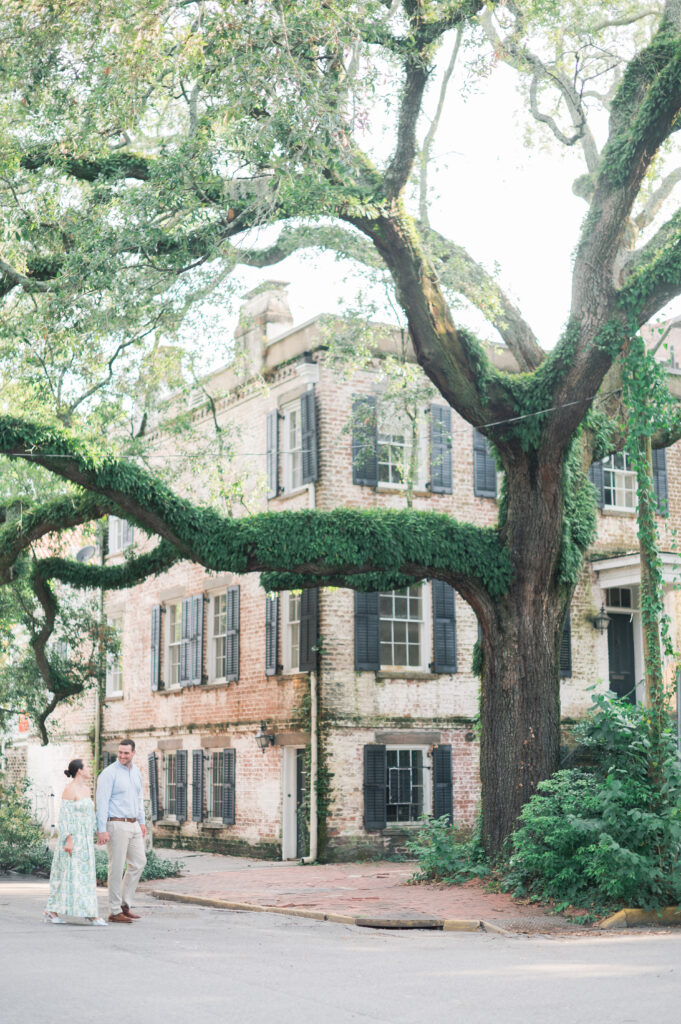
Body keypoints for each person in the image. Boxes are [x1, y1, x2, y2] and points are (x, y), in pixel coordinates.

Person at [44, 758, 106, 926]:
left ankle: (86, 912)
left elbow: (90, 815)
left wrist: (97, 832)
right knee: (69, 876)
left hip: (85, 839)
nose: (89, 769)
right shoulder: (69, 789)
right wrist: (68, 839)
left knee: (84, 877)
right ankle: (58, 911)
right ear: (79, 770)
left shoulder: (86, 789)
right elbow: (64, 817)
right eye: (87, 767)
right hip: (73, 839)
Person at [96, 738, 147, 923]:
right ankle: (114, 910)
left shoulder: (136, 772)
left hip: (133, 824)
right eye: (120, 752)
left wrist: (141, 822)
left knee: (139, 862)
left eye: (126, 753)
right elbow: (102, 802)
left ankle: (125, 905)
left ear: (133, 753)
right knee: (116, 867)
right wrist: (101, 829)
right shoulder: (109, 774)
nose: (122, 756)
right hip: (116, 823)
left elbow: (139, 798)